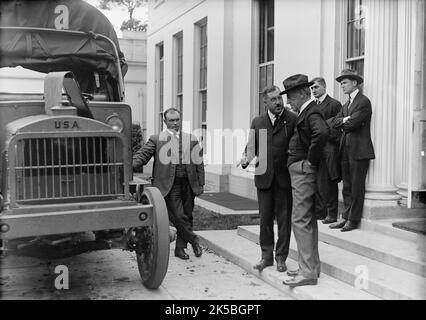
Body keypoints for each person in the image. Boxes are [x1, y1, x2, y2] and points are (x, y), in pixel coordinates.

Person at [239, 85, 297, 273]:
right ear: (265, 102)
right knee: (265, 220)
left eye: (279, 98)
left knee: (284, 221)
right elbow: (252, 146)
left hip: (284, 179)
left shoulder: (292, 119)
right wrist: (245, 159)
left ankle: (281, 258)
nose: (278, 102)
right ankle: (266, 257)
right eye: (273, 99)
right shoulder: (258, 122)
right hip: (264, 178)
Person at [133, 108, 205, 259]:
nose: (175, 123)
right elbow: (142, 156)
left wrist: (201, 184)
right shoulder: (156, 139)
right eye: (171, 120)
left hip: (189, 184)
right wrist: (128, 165)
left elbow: (199, 163)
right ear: (165, 121)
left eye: (177, 120)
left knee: (187, 216)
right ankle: (195, 241)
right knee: (179, 217)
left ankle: (180, 249)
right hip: (169, 185)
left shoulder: (191, 139)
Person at [280, 74, 329, 287]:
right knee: (306, 220)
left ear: (302, 93)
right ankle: (309, 268)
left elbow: (322, 132)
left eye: (290, 97)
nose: (288, 102)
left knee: (299, 220)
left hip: (303, 172)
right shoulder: (307, 111)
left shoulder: (311, 111)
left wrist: (310, 161)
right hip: (301, 171)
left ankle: (307, 272)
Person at [329, 69, 375, 232]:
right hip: (346, 149)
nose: (342, 86)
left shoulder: (363, 102)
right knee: (347, 186)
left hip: (359, 150)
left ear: (355, 83)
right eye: (341, 83)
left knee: (356, 187)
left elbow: (350, 125)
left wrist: (345, 120)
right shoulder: (346, 104)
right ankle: (346, 217)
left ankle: (353, 220)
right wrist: (345, 119)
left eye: (344, 82)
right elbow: (334, 123)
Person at [310, 77, 342, 224]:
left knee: (330, 182)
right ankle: (320, 212)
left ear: (324, 87)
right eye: (312, 88)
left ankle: (332, 213)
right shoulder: (312, 106)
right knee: (317, 182)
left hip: (329, 149)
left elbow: (337, 125)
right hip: (316, 148)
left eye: (316, 87)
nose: (313, 90)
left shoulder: (334, 104)